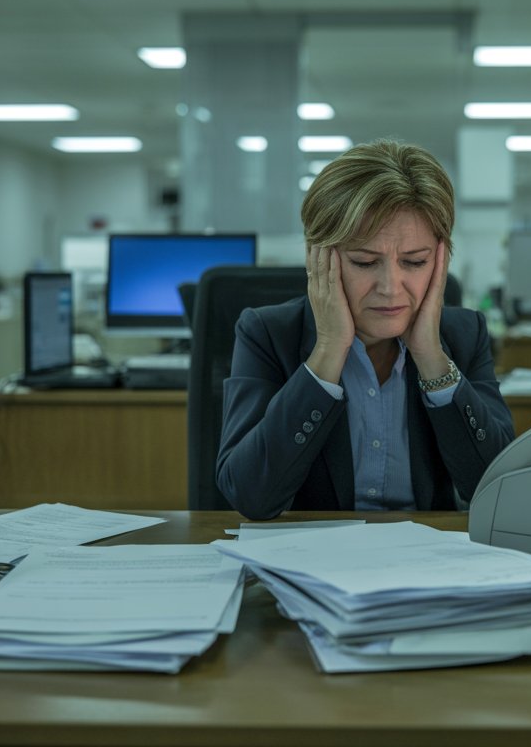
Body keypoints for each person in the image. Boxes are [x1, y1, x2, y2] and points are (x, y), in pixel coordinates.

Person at [217, 139, 515, 520]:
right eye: (364, 262)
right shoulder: (269, 334)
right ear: (318, 256)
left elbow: (497, 487)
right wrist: (328, 350)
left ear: (440, 260)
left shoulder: (463, 334)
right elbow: (250, 496)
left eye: (414, 261)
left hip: (429, 562)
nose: (390, 287)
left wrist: (432, 360)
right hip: (314, 560)